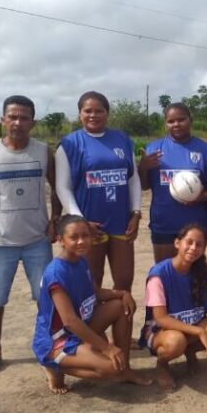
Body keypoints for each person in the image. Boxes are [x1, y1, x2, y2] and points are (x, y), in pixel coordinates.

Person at [0, 95, 60, 377]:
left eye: (23, 118)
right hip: (1, 242)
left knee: (46, 297)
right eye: (12, 117)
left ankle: (49, 346)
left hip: (37, 241)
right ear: (2, 120)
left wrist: (55, 221)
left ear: (32, 122)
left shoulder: (44, 152)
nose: (17, 122)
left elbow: (58, 188)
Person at [33, 215, 152, 394]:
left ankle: (126, 369)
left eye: (85, 236)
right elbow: (70, 321)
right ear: (61, 240)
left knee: (121, 305)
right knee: (111, 369)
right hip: (58, 340)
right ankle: (55, 365)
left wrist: (122, 293)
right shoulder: (56, 273)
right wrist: (107, 348)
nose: (81, 241)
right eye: (74, 237)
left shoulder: (81, 261)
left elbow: (95, 293)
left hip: (80, 327)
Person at [139, 224, 207, 390]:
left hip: (191, 325)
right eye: (189, 242)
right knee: (176, 341)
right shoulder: (159, 274)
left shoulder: (202, 272)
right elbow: (161, 319)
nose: (193, 248)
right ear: (177, 243)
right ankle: (162, 365)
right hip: (160, 331)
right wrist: (200, 332)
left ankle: (189, 351)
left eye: (199, 244)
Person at [55, 91, 142, 292]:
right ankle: (91, 324)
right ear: (79, 114)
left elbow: (132, 178)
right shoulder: (69, 144)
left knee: (124, 281)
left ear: (107, 113)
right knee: (92, 285)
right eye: (88, 111)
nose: (93, 115)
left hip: (121, 222)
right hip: (89, 225)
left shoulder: (122, 139)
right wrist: (80, 221)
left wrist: (136, 213)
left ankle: (121, 323)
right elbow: (62, 186)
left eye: (99, 111)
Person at [138, 103, 207, 263]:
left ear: (190, 120)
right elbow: (144, 185)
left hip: (197, 222)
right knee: (165, 273)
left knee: (194, 275)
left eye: (181, 119)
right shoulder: (154, 149)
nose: (176, 124)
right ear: (165, 123)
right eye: (171, 121)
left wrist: (201, 197)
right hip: (164, 221)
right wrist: (143, 167)